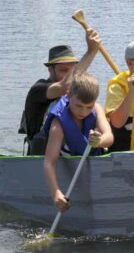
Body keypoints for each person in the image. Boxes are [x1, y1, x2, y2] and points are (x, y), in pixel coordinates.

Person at [21, 30, 101, 155]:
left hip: (74, 156)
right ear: (50, 69)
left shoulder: (79, 93)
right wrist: (91, 51)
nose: (69, 75)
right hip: (41, 157)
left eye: (72, 70)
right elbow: (65, 86)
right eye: (63, 70)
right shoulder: (38, 90)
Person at [43, 72, 114, 212]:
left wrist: (99, 141)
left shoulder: (97, 109)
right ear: (68, 95)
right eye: (79, 106)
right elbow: (49, 162)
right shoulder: (58, 124)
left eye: (88, 107)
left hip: (92, 160)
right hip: (69, 162)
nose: (83, 111)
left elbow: (109, 137)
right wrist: (56, 193)